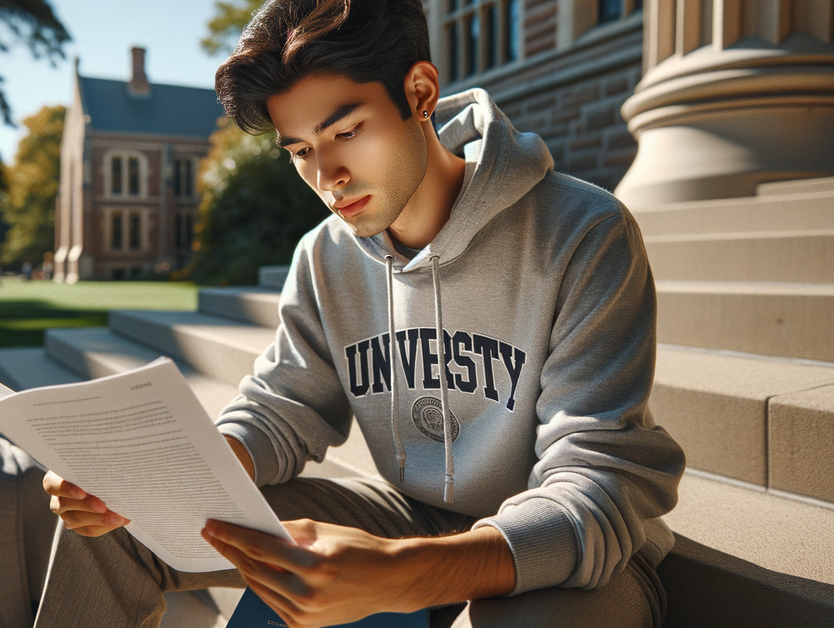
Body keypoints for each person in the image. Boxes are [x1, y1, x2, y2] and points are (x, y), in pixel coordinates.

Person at [37, 1, 685, 626]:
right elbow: (281, 409)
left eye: (347, 131)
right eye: (299, 151)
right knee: (126, 522)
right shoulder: (324, 257)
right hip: (404, 518)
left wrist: (404, 573)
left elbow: (597, 485)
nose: (328, 177)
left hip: (555, 552)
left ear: (422, 93)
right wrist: (167, 474)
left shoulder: (582, 232)